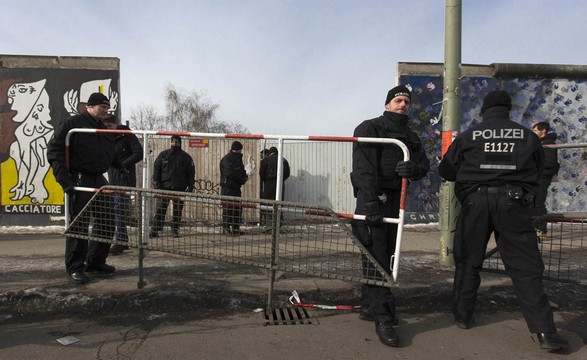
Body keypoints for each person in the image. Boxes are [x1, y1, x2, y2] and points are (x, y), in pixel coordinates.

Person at [438, 90, 568, 350]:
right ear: (508, 110)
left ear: (484, 111)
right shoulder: (528, 136)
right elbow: (541, 168)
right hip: (513, 204)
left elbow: (446, 169)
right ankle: (545, 332)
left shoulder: (469, 136)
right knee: (525, 267)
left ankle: (463, 316)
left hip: (475, 204)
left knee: (468, 261)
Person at [350, 85, 430, 347]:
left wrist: (414, 169)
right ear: (387, 104)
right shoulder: (370, 127)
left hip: (397, 202)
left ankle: (368, 307)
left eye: (406, 101)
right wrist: (370, 203)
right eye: (398, 100)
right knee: (378, 261)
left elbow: (424, 165)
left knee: (385, 258)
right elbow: (363, 169)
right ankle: (384, 318)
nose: (403, 104)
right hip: (373, 200)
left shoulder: (412, 136)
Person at [47, 92, 120, 284]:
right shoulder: (73, 123)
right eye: (102, 107)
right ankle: (75, 267)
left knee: (107, 219)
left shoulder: (102, 128)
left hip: (98, 178)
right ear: (89, 106)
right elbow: (55, 150)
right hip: (79, 178)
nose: (106, 110)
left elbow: (109, 154)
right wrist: (64, 180)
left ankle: (95, 262)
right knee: (79, 224)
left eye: (107, 107)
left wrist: (123, 165)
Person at [104, 115, 143, 254]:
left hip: (124, 178)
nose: (107, 129)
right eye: (105, 127)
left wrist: (122, 166)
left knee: (118, 208)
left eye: (109, 126)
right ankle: (121, 239)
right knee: (116, 209)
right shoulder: (106, 138)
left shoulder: (126, 135)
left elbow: (139, 153)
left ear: (115, 124)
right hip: (112, 178)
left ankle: (121, 240)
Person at [150, 135, 195, 238]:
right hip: (164, 187)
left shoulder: (186, 157)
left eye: (177, 142)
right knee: (160, 209)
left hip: (180, 188)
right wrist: (157, 183)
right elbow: (157, 169)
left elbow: (191, 172)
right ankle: (155, 229)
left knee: (177, 210)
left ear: (180, 143)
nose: (175, 144)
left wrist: (190, 185)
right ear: (170, 142)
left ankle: (175, 229)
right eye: (173, 142)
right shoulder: (163, 155)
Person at [531, 121, 560, 238]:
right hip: (538, 176)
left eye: (536, 130)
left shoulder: (548, 144)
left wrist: (535, 167)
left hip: (542, 177)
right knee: (534, 202)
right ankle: (536, 227)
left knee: (538, 203)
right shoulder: (539, 143)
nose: (534, 133)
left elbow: (550, 162)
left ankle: (541, 229)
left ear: (543, 131)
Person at [220, 141, 249, 236]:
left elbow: (241, 170)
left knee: (237, 209)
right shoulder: (228, 159)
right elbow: (230, 173)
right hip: (228, 187)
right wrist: (241, 179)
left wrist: (244, 177)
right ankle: (226, 228)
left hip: (235, 187)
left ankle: (236, 228)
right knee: (228, 208)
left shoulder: (236, 158)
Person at [259, 146, 290, 229]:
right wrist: (281, 179)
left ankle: (269, 225)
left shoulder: (266, 160)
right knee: (279, 204)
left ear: (269, 153)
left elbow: (261, 173)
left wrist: (265, 180)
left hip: (269, 183)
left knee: (268, 204)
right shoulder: (283, 160)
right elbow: (287, 173)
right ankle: (278, 225)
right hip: (280, 183)